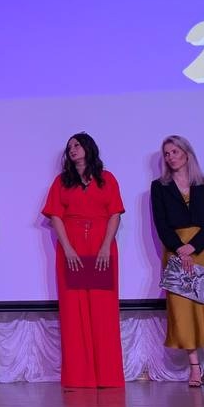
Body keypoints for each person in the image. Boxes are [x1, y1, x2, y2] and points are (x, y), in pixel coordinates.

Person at [41, 132, 126, 388]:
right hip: (72, 251)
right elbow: (55, 216)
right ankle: (79, 377)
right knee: (74, 312)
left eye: (77, 145)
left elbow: (115, 214)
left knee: (103, 311)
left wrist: (106, 246)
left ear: (89, 148)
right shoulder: (62, 182)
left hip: (101, 249)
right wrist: (67, 249)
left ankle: (107, 377)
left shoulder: (107, 179)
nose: (73, 149)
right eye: (69, 147)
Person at [150, 135, 204, 387]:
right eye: (167, 154)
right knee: (183, 309)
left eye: (175, 152)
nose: (170, 157)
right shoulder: (159, 186)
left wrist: (193, 246)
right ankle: (194, 369)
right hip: (176, 252)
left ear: (187, 154)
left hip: (203, 250)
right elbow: (161, 224)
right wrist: (179, 249)